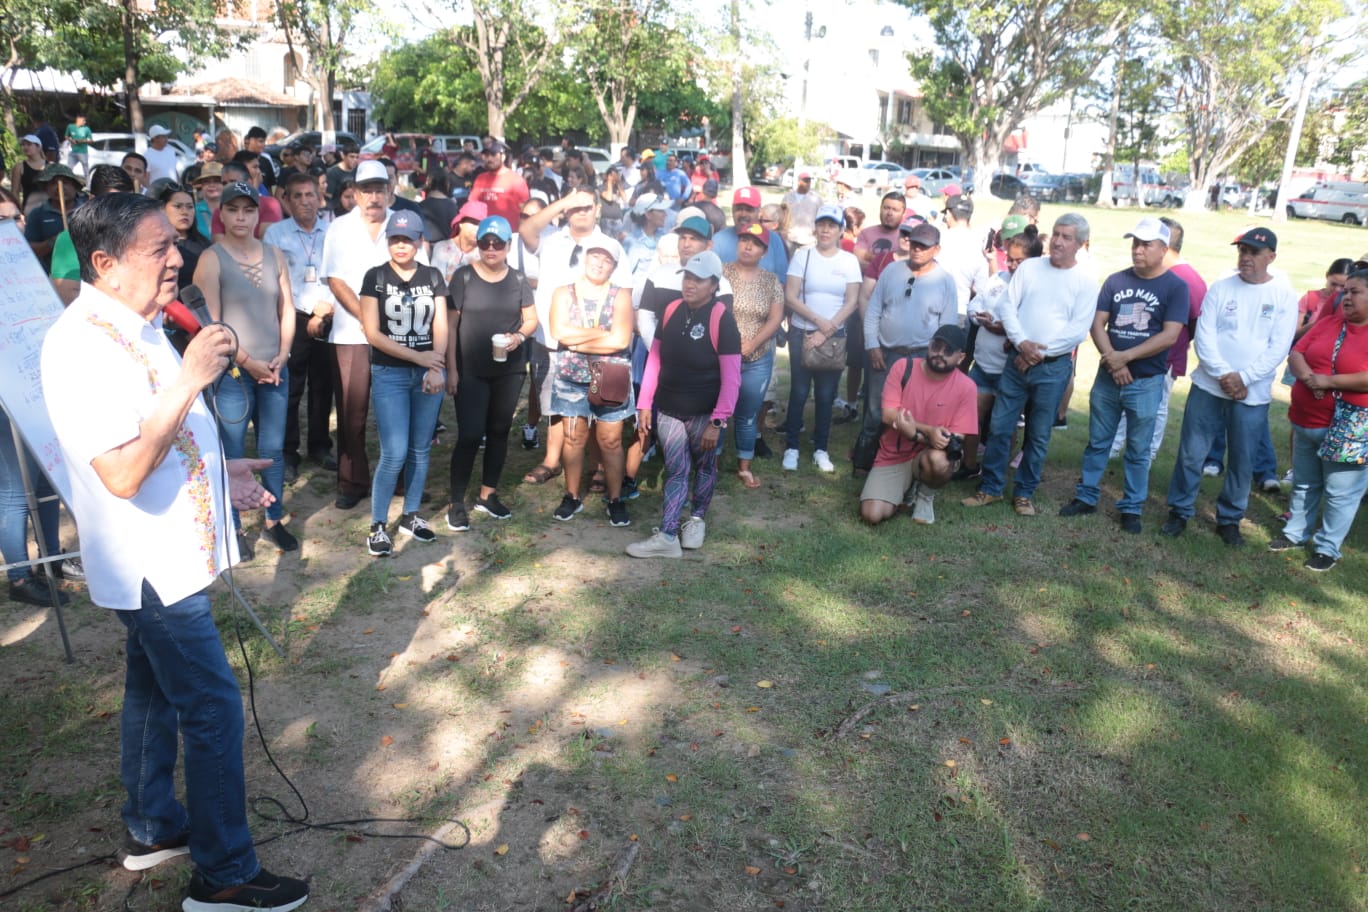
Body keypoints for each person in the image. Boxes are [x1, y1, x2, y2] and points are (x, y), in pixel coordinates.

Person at [40, 192, 310, 911]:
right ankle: (225, 873)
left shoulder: (140, 323)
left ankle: (153, 825)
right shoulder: (78, 346)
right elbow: (123, 471)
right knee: (214, 708)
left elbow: (163, 430)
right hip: (148, 564)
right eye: (158, 249)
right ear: (104, 263)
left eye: (173, 245)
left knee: (153, 693)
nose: (176, 259)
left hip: (175, 551)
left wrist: (225, 473)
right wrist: (193, 376)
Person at [1161, 227, 1299, 546]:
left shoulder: (1283, 294)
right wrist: (1225, 374)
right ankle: (1180, 510)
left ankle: (1229, 518)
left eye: (1253, 252)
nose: (1246, 257)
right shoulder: (1222, 286)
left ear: (1271, 257)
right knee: (1191, 452)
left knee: (1242, 458)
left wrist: (1245, 378)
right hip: (1209, 386)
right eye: (1242, 251)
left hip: (1252, 394)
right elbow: (1205, 334)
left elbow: (1279, 346)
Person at [1058, 217, 1188, 534]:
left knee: (1138, 449)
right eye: (1135, 243)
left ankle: (1131, 507)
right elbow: (1097, 323)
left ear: (1163, 248)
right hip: (1108, 378)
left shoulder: (1175, 287)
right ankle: (1086, 496)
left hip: (1145, 381)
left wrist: (1125, 358)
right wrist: (1112, 361)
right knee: (1098, 442)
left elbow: (1170, 335)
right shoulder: (1116, 281)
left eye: (1145, 244)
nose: (1138, 250)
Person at [963, 214, 1098, 516]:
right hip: (1016, 361)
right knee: (999, 426)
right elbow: (1009, 306)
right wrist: (1022, 343)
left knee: (1038, 434)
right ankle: (991, 487)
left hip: (1052, 368)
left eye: (1067, 237)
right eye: (1057, 235)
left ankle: (1024, 493)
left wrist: (1037, 353)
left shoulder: (1086, 281)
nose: (1060, 242)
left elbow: (1078, 330)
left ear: (1080, 244)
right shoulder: (1031, 268)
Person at [193, 181, 297, 556]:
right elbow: (212, 324)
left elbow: (287, 309)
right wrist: (250, 364)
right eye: (233, 210)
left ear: (258, 213)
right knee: (233, 450)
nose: (241, 217)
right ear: (222, 213)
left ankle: (273, 518)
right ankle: (233, 526)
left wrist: (284, 353)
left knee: (272, 447)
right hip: (233, 373)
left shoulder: (274, 254)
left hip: (274, 369)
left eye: (248, 210)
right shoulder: (211, 258)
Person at [627, 251, 740, 557]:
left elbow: (732, 378)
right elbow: (655, 360)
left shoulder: (722, 320)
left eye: (698, 280)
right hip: (668, 407)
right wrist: (645, 403)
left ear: (713, 285)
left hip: (705, 413)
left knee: (704, 466)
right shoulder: (672, 309)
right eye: (687, 277)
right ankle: (667, 536)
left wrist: (718, 422)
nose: (690, 284)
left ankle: (697, 520)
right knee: (676, 469)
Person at [357, 210, 448, 555]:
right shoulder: (375, 277)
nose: (401, 245)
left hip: (427, 372)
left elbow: (441, 326)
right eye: (395, 239)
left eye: (407, 239)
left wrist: (436, 367)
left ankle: (411, 514)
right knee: (394, 452)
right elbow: (372, 334)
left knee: (420, 448)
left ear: (419, 241)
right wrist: (420, 359)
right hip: (390, 374)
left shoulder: (433, 276)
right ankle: (378, 525)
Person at [444, 216, 538, 530]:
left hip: (509, 370)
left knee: (498, 432)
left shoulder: (519, 279)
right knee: (470, 434)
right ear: (479, 244)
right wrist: (451, 369)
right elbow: (451, 324)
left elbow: (531, 320)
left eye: (498, 243)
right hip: (470, 368)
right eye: (486, 242)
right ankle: (456, 502)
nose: (492, 248)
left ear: (509, 246)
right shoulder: (464, 276)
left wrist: (519, 338)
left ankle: (488, 494)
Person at [1272, 268, 1368, 571]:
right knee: (1304, 483)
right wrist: (1310, 379)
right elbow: (1297, 352)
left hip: (1345, 430)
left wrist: (1329, 382)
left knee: (1340, 492)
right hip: (1305, 420)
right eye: (1346, 291)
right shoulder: (1329, 322)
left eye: (1355, 292)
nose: (1346, 297)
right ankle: (1295, 533)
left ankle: (1327, 548)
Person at [857, 221, 960, 471]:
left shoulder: (945, 281)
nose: (917, 250)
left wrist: (936, 361)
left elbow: (946, 329)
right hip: (886, 352)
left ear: (936, 249)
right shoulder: (892, 271)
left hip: (922, 357)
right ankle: (863, 462)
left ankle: (909, 465)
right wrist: (872, 345)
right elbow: (873, 311)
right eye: (914, 244)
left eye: (924, 246)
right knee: (875, 410)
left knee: (914, 412)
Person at [547, 237, 635, 525]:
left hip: (611, 375)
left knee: (610, 440)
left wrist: (577, 341)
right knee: (573, 437)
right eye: (595, 256)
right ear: (584, 258)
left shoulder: (621, 295)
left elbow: (621, 339)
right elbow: (559, 332)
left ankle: (615, 499)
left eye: (606, 259)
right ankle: (572, 496)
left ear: (614, 266)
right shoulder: (563, 293)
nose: (599, 263)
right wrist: (600, 333)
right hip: (572, 377)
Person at [859, 324, 978, 525]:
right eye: (936, 346)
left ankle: (925, 495)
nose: (939, 354)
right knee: (872, 515)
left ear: (960, 358)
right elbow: (888, 415)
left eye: (948, 351)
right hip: (893, 454)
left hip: (933, 454)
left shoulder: (967, 387)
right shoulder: (903, 367)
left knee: (939, 462)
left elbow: (956, 440)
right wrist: (927, 431)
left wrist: (913, 432)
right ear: (929, 345)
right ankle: (906, 489)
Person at [263, 171, 337, 482]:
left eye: (310, 195)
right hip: (292, 318)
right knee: (290, 389)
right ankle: (288, 453)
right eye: (298, 196)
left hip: (328, 316)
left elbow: (339, 273)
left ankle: (320, 445)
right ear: (287, 199)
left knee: (323, 387)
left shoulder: (333, 231)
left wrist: (327, 308)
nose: (305, 201)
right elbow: (271, 280)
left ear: (319, 198)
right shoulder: (275, 235)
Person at [782, 203, 862, 473]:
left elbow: (851, 302)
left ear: (841, 230)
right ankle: (792, 446)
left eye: (832, 225)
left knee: (827, 394)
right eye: (822, 224)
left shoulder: (849, 261)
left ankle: (821, 448)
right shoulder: (802, 255)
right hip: (802, 333)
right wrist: (817, 324)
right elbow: (791, 296)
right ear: (815, 227)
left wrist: (827, 330)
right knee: (800, 391)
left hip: (835, 337)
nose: (826, 229)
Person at [723, 225, 786, 488]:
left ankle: (744, 466)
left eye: (755, 243)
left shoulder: (771, 280)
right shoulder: (722, 274)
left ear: (763, 251)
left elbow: (775, 318)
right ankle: (709, 462)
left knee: (747, 413)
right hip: (723, 356)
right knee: (720, 411)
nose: (748, 246)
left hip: (757, 356)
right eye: (744, 240)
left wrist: (752, 343)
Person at [714, 187, 789, 275]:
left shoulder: (774, 240)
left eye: (749, 209)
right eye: (739, 209)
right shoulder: (718, 240)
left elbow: (782, 280)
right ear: (732, 209)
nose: (743, 214)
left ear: (759, 212)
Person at [158, 180, 210, 293]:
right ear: (162, 209)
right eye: (178, 206)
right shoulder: (155, 246)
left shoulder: (206, 247)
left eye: (189, 207)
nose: (184, 212)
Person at [471, 140, 529, 224]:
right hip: (485, 232)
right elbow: (473, 205)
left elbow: (525, 210)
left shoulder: (516, 180)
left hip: (509, 233)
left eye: (494, 155)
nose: (490, 159)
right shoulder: (480, 179)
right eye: (487, 155)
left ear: (503, 157)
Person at [782, 172, 823, 248]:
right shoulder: (788, 196)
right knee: (788, 259)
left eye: (809, 181)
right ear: (798, 182)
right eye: (805, 181)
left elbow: (821, 216)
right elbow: (783, 214)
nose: (808, 183)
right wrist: (783, 230)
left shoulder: (816, 198)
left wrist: (818, 229)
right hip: (790, 236)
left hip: (809, 238)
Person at [12, 133, 49, 209]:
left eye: (29, 144)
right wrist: (18, 210)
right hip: (29, 208)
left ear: (38, 147)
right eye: (23, 145)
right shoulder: (19, 167)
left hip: (49, 207)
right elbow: (15, 191)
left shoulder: (50, 166)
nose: (25, 147)